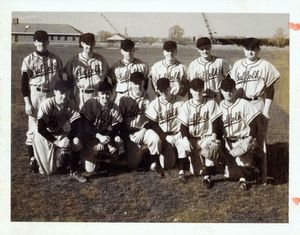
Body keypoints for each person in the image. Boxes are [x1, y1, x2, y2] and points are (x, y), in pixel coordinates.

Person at [230, 37, 280, 183]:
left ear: (259, 50)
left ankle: (263, 176)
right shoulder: (238, 65)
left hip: (257, 103)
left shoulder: (265, 65)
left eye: (253, 49)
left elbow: (270, 89)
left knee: (260, 141)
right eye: (247, 49)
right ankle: (245, 171)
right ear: (243, 50)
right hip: (241, 104)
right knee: (242, 137)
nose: (250, 51)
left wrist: (266, 110)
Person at [21, 30, 63, 173]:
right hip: (36, 95)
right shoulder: (29, 59)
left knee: (54, 125)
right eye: (38, 41)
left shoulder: (55, 59)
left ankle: (56, 156)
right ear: (34, 42)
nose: (41, 44)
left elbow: (62, 80)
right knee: (33, 128)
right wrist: (27, 102)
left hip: (51, 95)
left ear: (48, 42)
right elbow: (24, 84)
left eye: (44, 41)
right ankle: (32, 159)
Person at [32, 80, 86, 183]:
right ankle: (37, 158)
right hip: (42, 135)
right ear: (55, 92)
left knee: (76, 142)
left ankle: (74, 170)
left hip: (58, 132)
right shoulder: (47, 104)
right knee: (48, 171)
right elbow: (41, 129)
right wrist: (58, 142)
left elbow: (77, 124)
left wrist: (73, 137)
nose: (64, 96)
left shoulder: (70, 104)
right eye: (61, 93)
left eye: (67, 93)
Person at [177, 78, 223, 188]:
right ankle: (182, 172)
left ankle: (207, 177)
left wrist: (213, 137)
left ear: (203, 90)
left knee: (212, 147)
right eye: (194, 90)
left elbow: (215, 122)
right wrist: (185, 139)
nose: (197, 93)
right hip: (192, 138)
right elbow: (183, 127)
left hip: (205, 137)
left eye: (199, 90)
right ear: (191, 91)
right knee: (181, 143)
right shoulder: (186, 105)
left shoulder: (211, 103)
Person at [219, 78, 261, 190]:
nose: (228, 93)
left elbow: (254, 125)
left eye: (231, 90)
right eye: (225, 90)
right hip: (229, 142)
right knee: (231, 175)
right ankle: (253, 169)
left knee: (242, 164)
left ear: (235, 90)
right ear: (221, 91)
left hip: (244, 140)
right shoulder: (219, 106)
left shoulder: (244, 104)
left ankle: (244, 179)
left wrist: (249, 140)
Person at [119, 72, 163, 176]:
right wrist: (127, 136)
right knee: (134, 164)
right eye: (135, 83)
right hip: (130, 132)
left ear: (143, 82)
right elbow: (119, 121)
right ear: (130, 84)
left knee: (155, 139)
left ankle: (154, 162)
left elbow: (153, 121)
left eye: (140, 82)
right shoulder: (124, 99)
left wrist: (142, 132)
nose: (138, 86)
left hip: (145, 130)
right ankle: (143, 153)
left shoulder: (150, 99)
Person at [145, 77, 187, 182]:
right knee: (168, 165)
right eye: (161, 90)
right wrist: (166, 137)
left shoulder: (180, 101)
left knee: (182, 142)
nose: (164, 92)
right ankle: (156, 161)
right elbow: (153, 124)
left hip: (177, 133)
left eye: (166, 89)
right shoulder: (154, 104)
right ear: (158, 91)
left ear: (170, 88)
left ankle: (182, 171)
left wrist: (180, 133)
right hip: (164, 136)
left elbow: (185, 121)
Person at [80, 80, 124, 173]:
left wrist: (105, 141)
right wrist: (99, 137)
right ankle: (89, 155)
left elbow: (117, 127)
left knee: (118, 140)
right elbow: (84, 125)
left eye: (108, 94)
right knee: (90, 169)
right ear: (98, 94)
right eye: (103, 94)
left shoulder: (114, 107)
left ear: (112, 93)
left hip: (105, 137)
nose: (105, 96)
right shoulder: (91, 103)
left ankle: (105, 157)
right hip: (90, 138)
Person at [63, 33, 110, 110]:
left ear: (94, 44)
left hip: (97, 94)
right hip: (81, 95)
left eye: (92, 43)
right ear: (82, 44)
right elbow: (69, 82)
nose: (89, 46)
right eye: (87, 44)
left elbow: (105, 81)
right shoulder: (74, 60)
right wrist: (71, 98)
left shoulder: (101, 60)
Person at [187, 37, 231, 101]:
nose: (205, 51)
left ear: (210, 47)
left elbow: (229, 80)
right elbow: (190, 86)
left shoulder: (220, 62)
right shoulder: (193, 65)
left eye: (207, 48)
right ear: (198, 50)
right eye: (202, 49)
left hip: (217, 98)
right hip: (201, 99)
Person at [109, 39, 149, 104]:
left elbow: (145, 85)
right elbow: (114, 84)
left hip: (138, 100)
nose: (128, 53)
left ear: (134, 50)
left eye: (130, 50)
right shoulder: (115, 67)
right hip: (120, 99)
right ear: (121, 51)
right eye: (126, 50)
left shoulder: (143, 66)